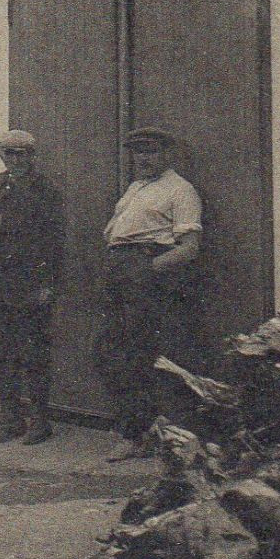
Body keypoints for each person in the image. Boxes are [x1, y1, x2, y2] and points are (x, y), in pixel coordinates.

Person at [98, 126, 203, 462]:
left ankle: (137, 435)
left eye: (151, 151)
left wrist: (147, 271)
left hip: (147, 273)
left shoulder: (180, 190)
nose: (143, 158)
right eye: (138, 152)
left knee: (138, 355)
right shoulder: (136, 188)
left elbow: (188, 248)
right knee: (107, 350)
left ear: (166, 154)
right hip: (119, 269)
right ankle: (137, 428)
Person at [0, 130, 64, 446]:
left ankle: (40, 420)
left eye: (21, 154)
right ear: (2, 157)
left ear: (31, 156)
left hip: (31, 283)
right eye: (8, 154)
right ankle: (10, 419)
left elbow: (55, 240)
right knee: (2, 351)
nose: (14, 160)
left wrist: (49, 283)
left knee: (33, 352)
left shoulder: (44, 189)